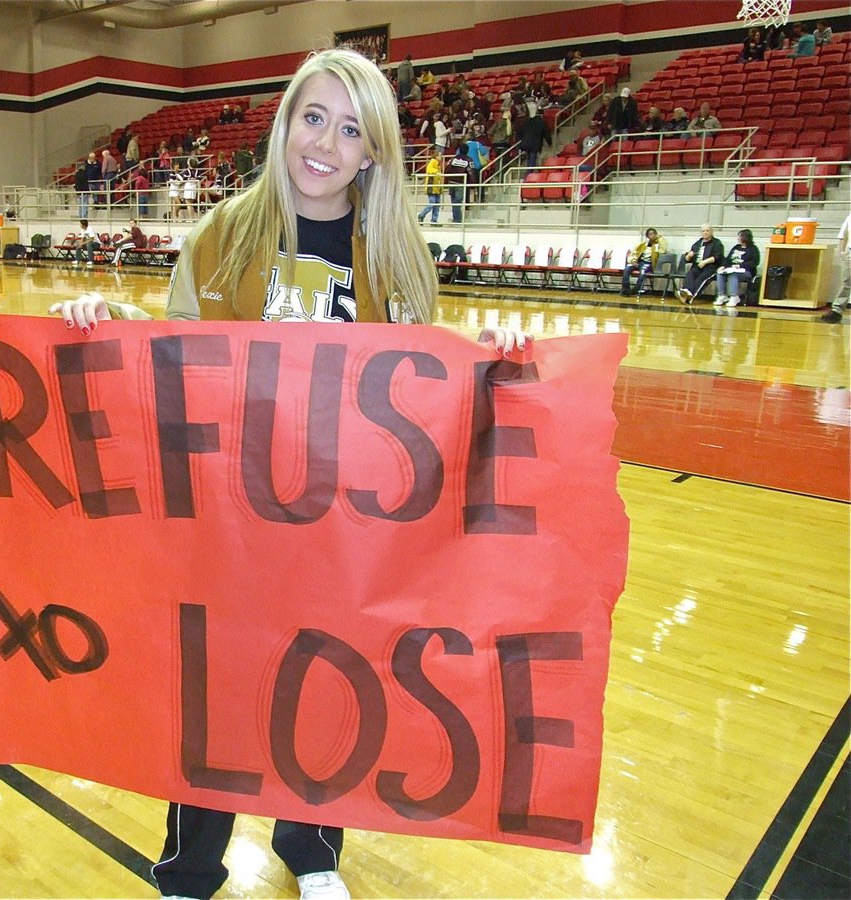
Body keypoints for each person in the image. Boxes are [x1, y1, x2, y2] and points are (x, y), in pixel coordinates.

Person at [47, 47, 525, 899]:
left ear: (373, 151)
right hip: (229, 526)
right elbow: (175, 369)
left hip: (342, 534)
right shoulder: (222, 235)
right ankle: (189, 869)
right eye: (314, 117)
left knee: (332, 687)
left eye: (352, 130)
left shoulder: (399, 259)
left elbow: (431, 399)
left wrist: (494, 360)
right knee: (219, 698)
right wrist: (107, 321)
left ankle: (312, 854)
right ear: (284, 123)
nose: (326, 145)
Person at [675, 224, 724, 303]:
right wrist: (688, 256)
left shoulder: (717, 243)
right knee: (690, 274)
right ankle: (686, 292)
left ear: (711, 232)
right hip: (697, 266)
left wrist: (705, 262)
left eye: (707, 231)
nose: (705, 233)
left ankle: (689, 296)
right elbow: (688, 259)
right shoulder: (698, 243)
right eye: (703, 231)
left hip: (710, 267)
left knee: (702, 278)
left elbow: (717, 257)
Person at [714, 229, 760, 307]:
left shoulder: (753, 249)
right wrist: (723, 266)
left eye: (739, 236)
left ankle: (734, 296)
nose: (738, 238)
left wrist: (740, 265)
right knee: (720, 273)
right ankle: (722, 295)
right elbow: (728, 259)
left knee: (733, 275)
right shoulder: (736, 247)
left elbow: (754, 263)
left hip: (746, 272)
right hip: (732, 269)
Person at [821, 213, 850, 322]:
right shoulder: (850, 216)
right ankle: (837, 310)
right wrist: (842, 252)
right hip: (850, 253)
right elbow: (843, 235)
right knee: (846, 282)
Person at [621, 227, 668, 296]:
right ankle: (625, 290)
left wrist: (659, 238)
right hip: (639, 262)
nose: (652, 235)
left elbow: (663, 250)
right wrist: (633, 261)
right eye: (650, 234)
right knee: (627, 268)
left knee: (643, 272)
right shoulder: (643, 245)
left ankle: (636, 290)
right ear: (647, 236)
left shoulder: (658, 245)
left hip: (648, 264)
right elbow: (634, 253)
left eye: (654, 234)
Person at [416, 153, 443, 224]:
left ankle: (434, 220)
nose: (441, 157)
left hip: (437, 187)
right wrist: (436, 172)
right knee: (432, 203)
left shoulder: (438, 165)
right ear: (436, 156)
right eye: (439, 155)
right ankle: (421, 215)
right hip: (431, 187)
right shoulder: (433, 161)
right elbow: (429, 169)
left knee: (437, 205)